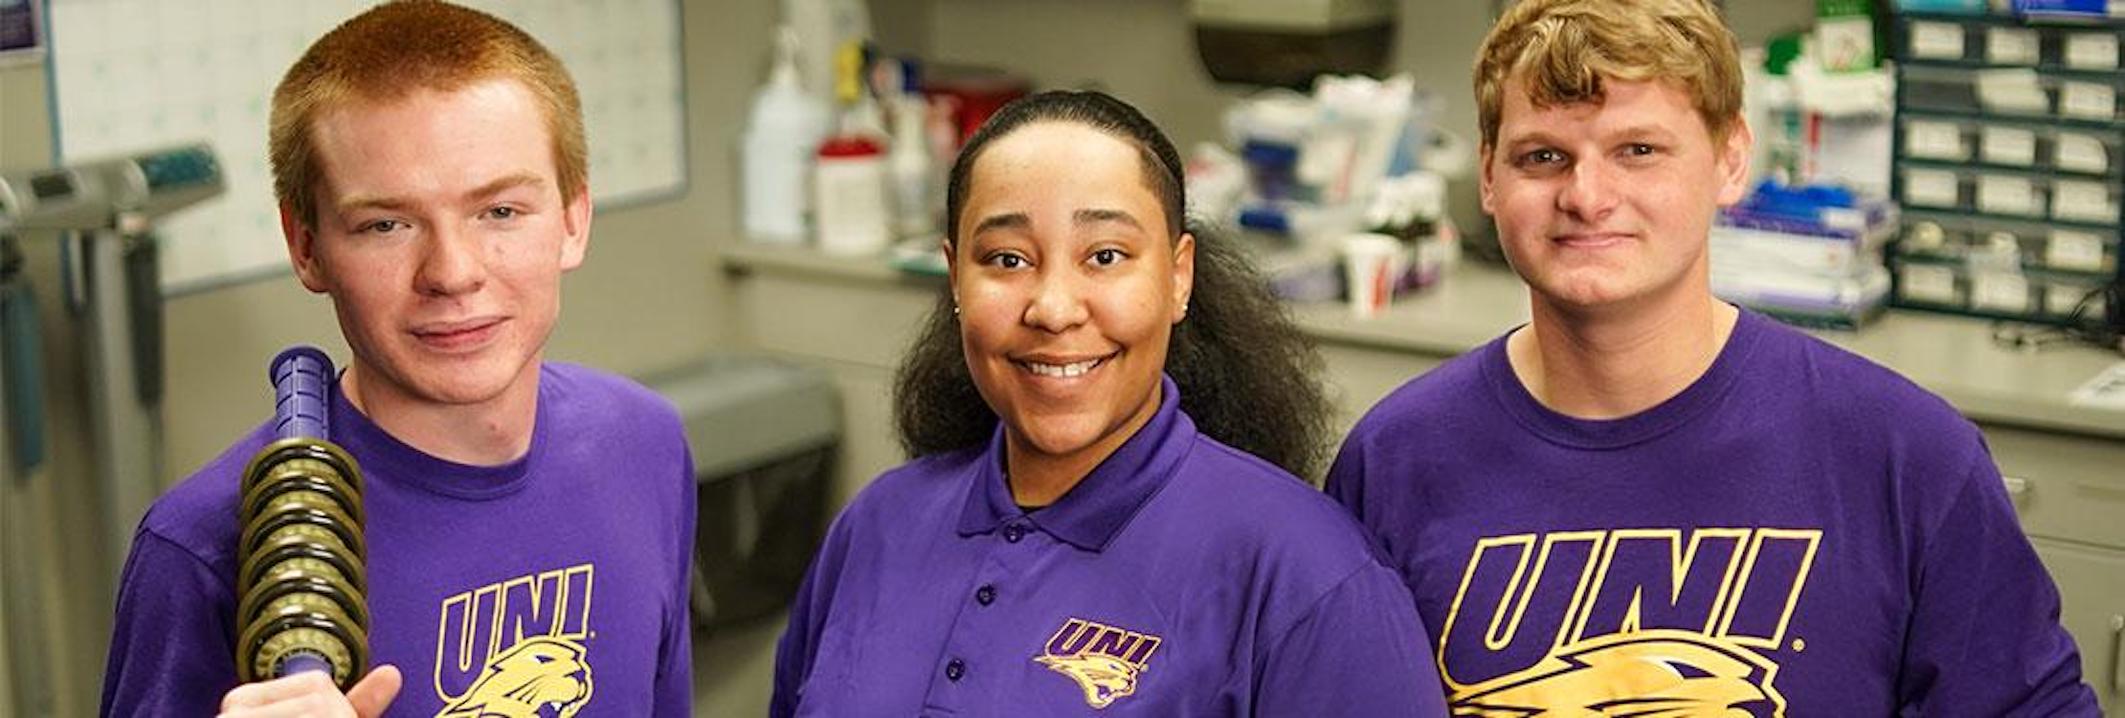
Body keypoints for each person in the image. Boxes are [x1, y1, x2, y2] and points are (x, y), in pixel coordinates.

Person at [1325, 0, 2099, 714]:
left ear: (1730, 160)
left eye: (1637, 150)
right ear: (1488, 175)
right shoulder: (1394, 461)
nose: (1587, 197)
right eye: (1542, 158)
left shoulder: (1906, 457)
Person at [98, 2, 696, 715]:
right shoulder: (202, 546)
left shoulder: (645, 444)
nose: (451, 271)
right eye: (386, 224)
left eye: (500, 211)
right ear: (307, 246)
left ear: (572, 219)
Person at [771, 90, 1450, 716]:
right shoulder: (878, 525)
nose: (1054, 308)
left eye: (1104, 256)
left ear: (1178, 276)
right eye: (1007, 259)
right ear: (954, 279)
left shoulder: (1310, 578)